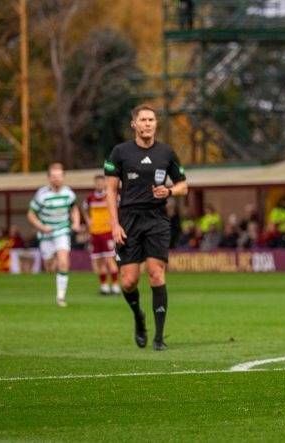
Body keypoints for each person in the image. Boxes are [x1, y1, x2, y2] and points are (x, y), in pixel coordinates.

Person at [104, 104, 188, 351]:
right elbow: (109, 190)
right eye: (143, 119)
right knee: (129, 281)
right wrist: (114, 224)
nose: (148, 123)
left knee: (155, 273)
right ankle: (139, 318)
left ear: (156, 123)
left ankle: (159, 337)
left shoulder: (166, 152)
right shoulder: (120, 152)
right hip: (128, 220)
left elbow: (184, 185)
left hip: (157, 220)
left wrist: (170, 191)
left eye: (152, 119)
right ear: (134, 124)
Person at [27, 162, 81, 307]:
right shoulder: (42, 194)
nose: (56, 179)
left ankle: (61, 297)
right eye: (53, 177)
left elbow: (74, 209)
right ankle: (53, 258)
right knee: (50, 267)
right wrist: (41, 227)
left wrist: (75, 223)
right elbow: (31, 214)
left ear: (63, 177)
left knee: (64, 262)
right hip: (46, 234)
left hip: (62, 230)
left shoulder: (68, 193)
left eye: (59, 176)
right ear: (49, 178)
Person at [82, 175, 120, 295]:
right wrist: (88, 220)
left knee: (109, 259)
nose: (99, 185)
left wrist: (115, 221)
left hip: (107, 232)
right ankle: (104, 286)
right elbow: (83, 209)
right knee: (99, 261)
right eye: (97, 183)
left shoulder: (111, 196)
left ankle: (115, 285)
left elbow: (120, 208)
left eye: (101, 182)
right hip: (95, 233)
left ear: (105, 184)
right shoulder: (90, 198)